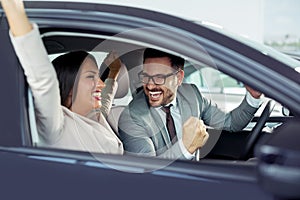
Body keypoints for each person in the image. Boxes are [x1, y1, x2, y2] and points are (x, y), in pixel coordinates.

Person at [1, 0, 123, 154]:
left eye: (98, 77)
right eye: (91, 77)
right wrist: (14, 10)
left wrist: (113, 73)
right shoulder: (56, 125)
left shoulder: (94, 117)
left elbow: (105, 102)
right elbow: (44, 80)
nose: (101, 84)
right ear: (70, 83)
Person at [118, 48, 263, 160]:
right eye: (146, 77)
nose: (150, 85)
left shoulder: (192, 95)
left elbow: (231, 123)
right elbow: (148, 172)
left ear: (179, 77)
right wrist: (186, 147)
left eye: (159, 78)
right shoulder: (131, 117)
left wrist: (253, 96)